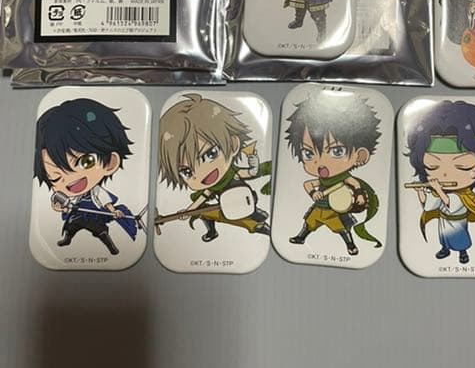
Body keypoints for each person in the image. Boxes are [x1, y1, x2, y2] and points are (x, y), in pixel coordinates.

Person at [406, 100, 475, 265]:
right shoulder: (437, 191)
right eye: (432, 166)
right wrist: (421, 193)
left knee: (460, 239)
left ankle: (463, 253)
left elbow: (449, 202)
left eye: (463, 167)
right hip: (444, 221)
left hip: (457, 222)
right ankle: (445, 249)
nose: (445, 174)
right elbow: (429, 207)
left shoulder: (462, 196)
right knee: (444, 237)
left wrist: (438, 190)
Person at [158, 93, 271, 242]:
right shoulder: (212, 187)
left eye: (210, 154)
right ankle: (215, 231)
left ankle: (255, 216)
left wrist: (253, 163)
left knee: (240, 209)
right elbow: (203, 196)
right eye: (187, 171)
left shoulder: (232, 173)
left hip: (245, 198)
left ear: (233, 145)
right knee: (217, 212)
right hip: (228, 205)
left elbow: (250, 173)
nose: (201, 172)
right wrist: (189, 210)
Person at [34, 98, 135, 256]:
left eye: (86, 162)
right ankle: (67, 238)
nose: (70, 178)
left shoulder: (97, 191)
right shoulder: (70, 196)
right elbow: (60, 204)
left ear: (110, 162)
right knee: (71, 225)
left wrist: (114, 211)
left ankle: (111, 247)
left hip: (94, 214)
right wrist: (59, 207)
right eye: (55, 177)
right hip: (78, 213)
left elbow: (105, 201)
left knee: (100, 230)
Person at [286, 90, 381, 256]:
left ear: (360, 156)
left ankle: (351, 245)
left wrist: (359, 194)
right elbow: (308, 184)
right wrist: (313, 193)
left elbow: (354, 183)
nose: (320, 162)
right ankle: (301, 238)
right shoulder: (322, 180)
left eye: (337, 151)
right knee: (309, 222)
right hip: (320, 206)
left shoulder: (343, 177)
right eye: (308, 153)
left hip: (333, 209)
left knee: (341, 228)